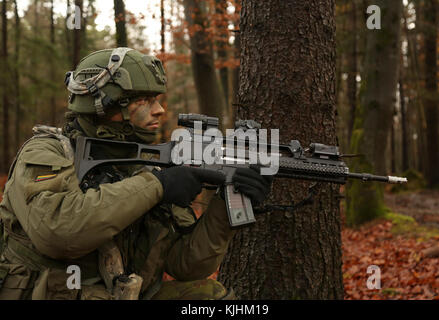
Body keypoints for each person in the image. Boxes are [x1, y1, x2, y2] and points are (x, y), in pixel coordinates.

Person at [0, 47, 272, 300]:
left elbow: (186, 264)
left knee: (209, 295)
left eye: (157, 99)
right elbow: (59, 232)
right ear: (105, 104)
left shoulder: (143, 165)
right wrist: (157, 186)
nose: (160, 110)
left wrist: (226, 205)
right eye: (144, 100)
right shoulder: (46, 152)